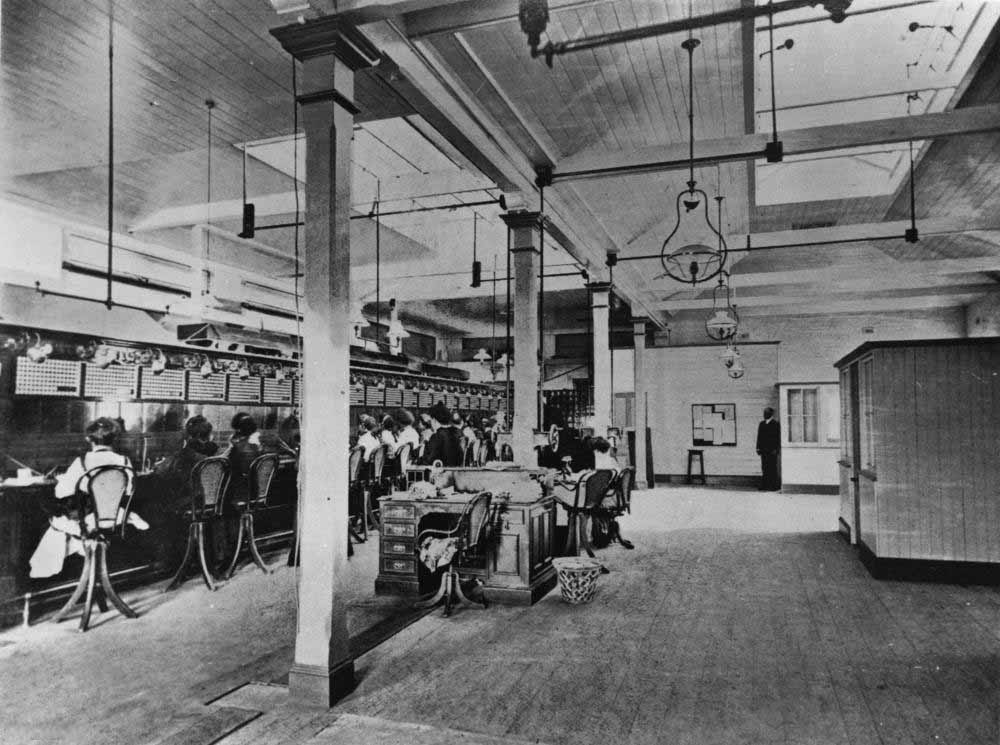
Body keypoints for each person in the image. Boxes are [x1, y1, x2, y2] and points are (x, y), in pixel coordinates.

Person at [29, 418, 147, 578]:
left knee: (53, 519)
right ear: (114, 438)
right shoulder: (124, 461)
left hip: (89, 522)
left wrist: (64, 480)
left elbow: (61, 492)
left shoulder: (82, 462)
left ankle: (56, 577)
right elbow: (129, 490)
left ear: (88, 439)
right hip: (116, 519)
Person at [154, 415, 219, 499]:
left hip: (188, 499)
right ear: (209, 434)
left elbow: (161, 470)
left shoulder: (188, 452)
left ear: (190, 434)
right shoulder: (218, 453)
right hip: (212, 498)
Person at [227, 412, 261, 498]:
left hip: (239, 491)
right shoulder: (257, 447)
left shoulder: (236, 448)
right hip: (255, 488)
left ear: (238, 429)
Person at [420, 402, 464, 467]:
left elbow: (428, 460)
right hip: (455, 471)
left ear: (434, 420)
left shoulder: (437, 437)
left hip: (439, 474)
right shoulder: (456, 433)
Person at [756, 407, 781, 491]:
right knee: (764, 467)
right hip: (763, 450)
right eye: (764, 413)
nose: (764, 415)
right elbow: (759, 437)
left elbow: (777, 438)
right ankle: (765, 485)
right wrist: (758, 448)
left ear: (771, 414)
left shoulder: (775, 424)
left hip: (771, 450)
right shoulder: (762, 424)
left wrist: (776, 449)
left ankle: (773, 486)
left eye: (766, 413)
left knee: (772, 467)